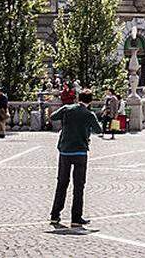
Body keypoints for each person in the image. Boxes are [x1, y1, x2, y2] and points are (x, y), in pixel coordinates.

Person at [49, 89, 102, 230]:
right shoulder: (89, 114)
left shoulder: (67, 109)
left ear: (78, 98)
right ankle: (76, 218)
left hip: (65, 150)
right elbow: (99, 130)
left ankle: (55, 215)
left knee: (62, 183)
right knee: (79, 186)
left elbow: (53, 116)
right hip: (80, 152)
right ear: (90, 101)